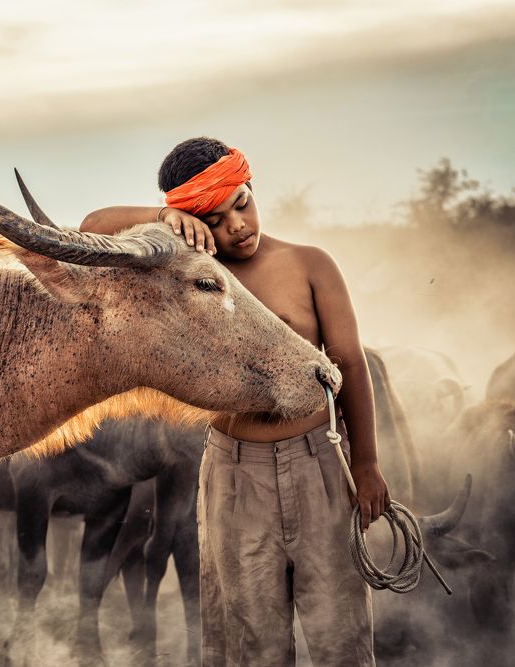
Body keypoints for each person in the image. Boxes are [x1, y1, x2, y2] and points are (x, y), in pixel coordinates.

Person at [79, 137, 389, 666]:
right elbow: (88, 229)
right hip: (233, 471)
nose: (237, 226)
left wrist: (366, 462)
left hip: (316, 461)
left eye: (242, 203)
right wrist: (164, 216)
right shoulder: (185, 276)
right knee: (251, 643)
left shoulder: (309, 265)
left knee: (341, 636)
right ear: (192, 222)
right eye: (216, 219)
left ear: (252, 188)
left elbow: (351, 365)